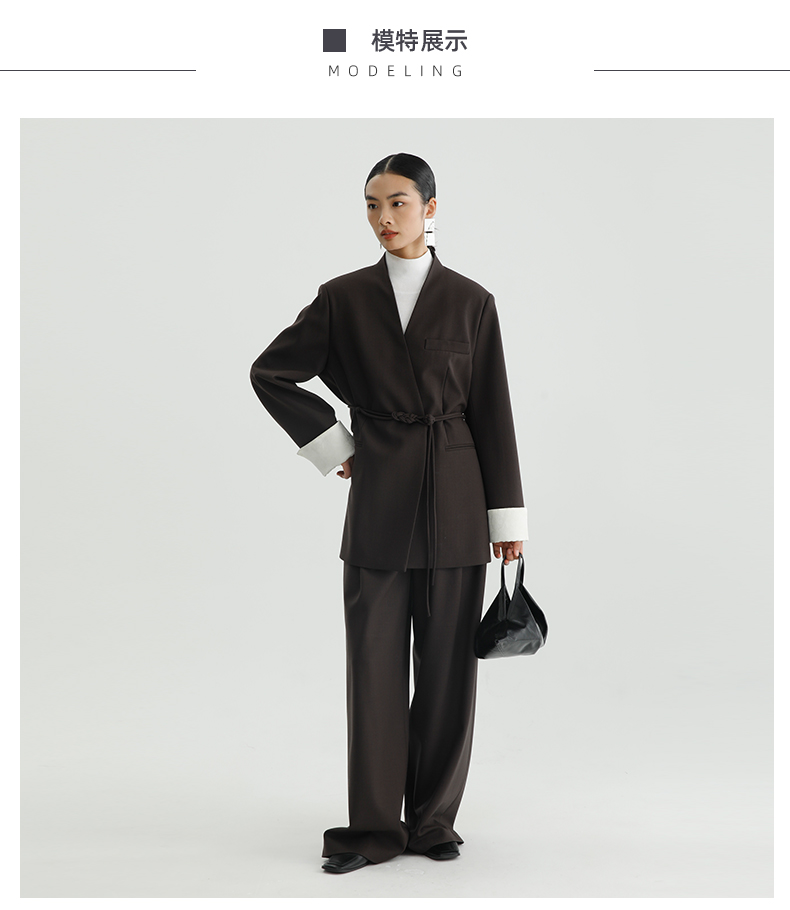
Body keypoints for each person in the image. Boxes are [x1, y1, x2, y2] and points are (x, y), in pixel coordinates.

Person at [249, 152, 528, 874]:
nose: (383, 217)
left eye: (398, 202)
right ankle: (373, 829)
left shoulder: (472, 301)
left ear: (430, 208)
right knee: (373, 669)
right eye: (372, 204)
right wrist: (332, 444)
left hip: (458, 498)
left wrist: (507, 520)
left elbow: (492, 412)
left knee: (448, 672)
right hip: (378, 497)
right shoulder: (343, 298)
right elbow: (271, 371)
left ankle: (433, 821)